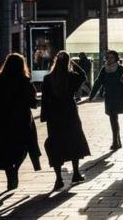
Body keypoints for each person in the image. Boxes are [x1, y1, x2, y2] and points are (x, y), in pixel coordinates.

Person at [0, 53, 41, 190]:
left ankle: (10, 173)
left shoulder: (0, 79)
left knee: (6, 148)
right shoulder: (25, 81)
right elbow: (33, 103)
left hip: (4, 118)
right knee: (25, 146)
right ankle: (15, 169)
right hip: (22, 119)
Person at [41, 51, 91, 190]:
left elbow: (44, 99)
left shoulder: (48, 79)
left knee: (55, 144)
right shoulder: (72, 77)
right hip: (70, 113)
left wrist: (44, 116)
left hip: (54, 116)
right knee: (73, 141)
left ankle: (58, 178)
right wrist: (73, 64)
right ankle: (75, 173)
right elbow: (83, 76)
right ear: (68, 62)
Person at [90, 50, 123, 150]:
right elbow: (98, 82)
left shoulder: (121, 69)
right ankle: (117, 140)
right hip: (109, 97)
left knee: (114, 118)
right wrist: (91, 95)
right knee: (113, 118)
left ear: (116, 58)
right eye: (108, 57)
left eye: (112, 57)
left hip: (118, 97)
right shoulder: (104, 69)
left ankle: (115, 141)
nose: (109, 59)